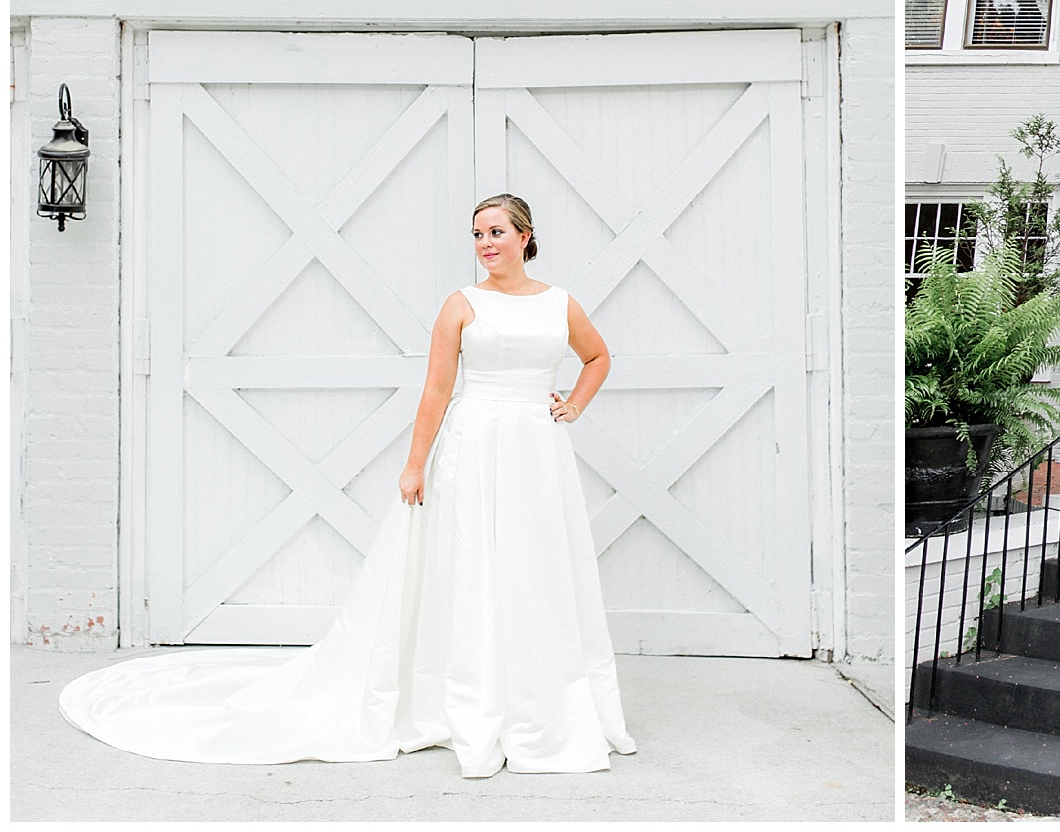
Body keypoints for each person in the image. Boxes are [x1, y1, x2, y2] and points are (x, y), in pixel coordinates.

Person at [60, 194, 636, 778]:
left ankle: (541, 697)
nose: (485, 244)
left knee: (535, 565)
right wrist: (415, 465)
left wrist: (574, 406)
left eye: (495, 232)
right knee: (471, 565)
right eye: (476, 234)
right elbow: (436, 392)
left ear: (524, 235)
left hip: (535, 453)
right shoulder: (461, 306)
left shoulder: (559, 304)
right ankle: (474, 695)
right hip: (473, 446)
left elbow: (597, 357)